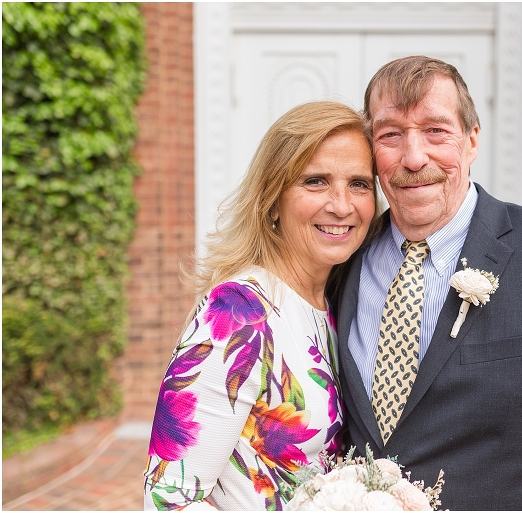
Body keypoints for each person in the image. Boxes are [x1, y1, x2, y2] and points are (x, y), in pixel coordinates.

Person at [336, 56, 522, 510]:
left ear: (472, 139)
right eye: (391, 135)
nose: (413, 157)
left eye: (435, 130)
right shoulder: (341, 261)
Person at [143, 101, 380, 510]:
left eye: (359, 183)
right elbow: (168, 499)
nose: (342, 205)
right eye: (316, 181)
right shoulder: (238, 312)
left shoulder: (336, 305)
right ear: (272, 200)